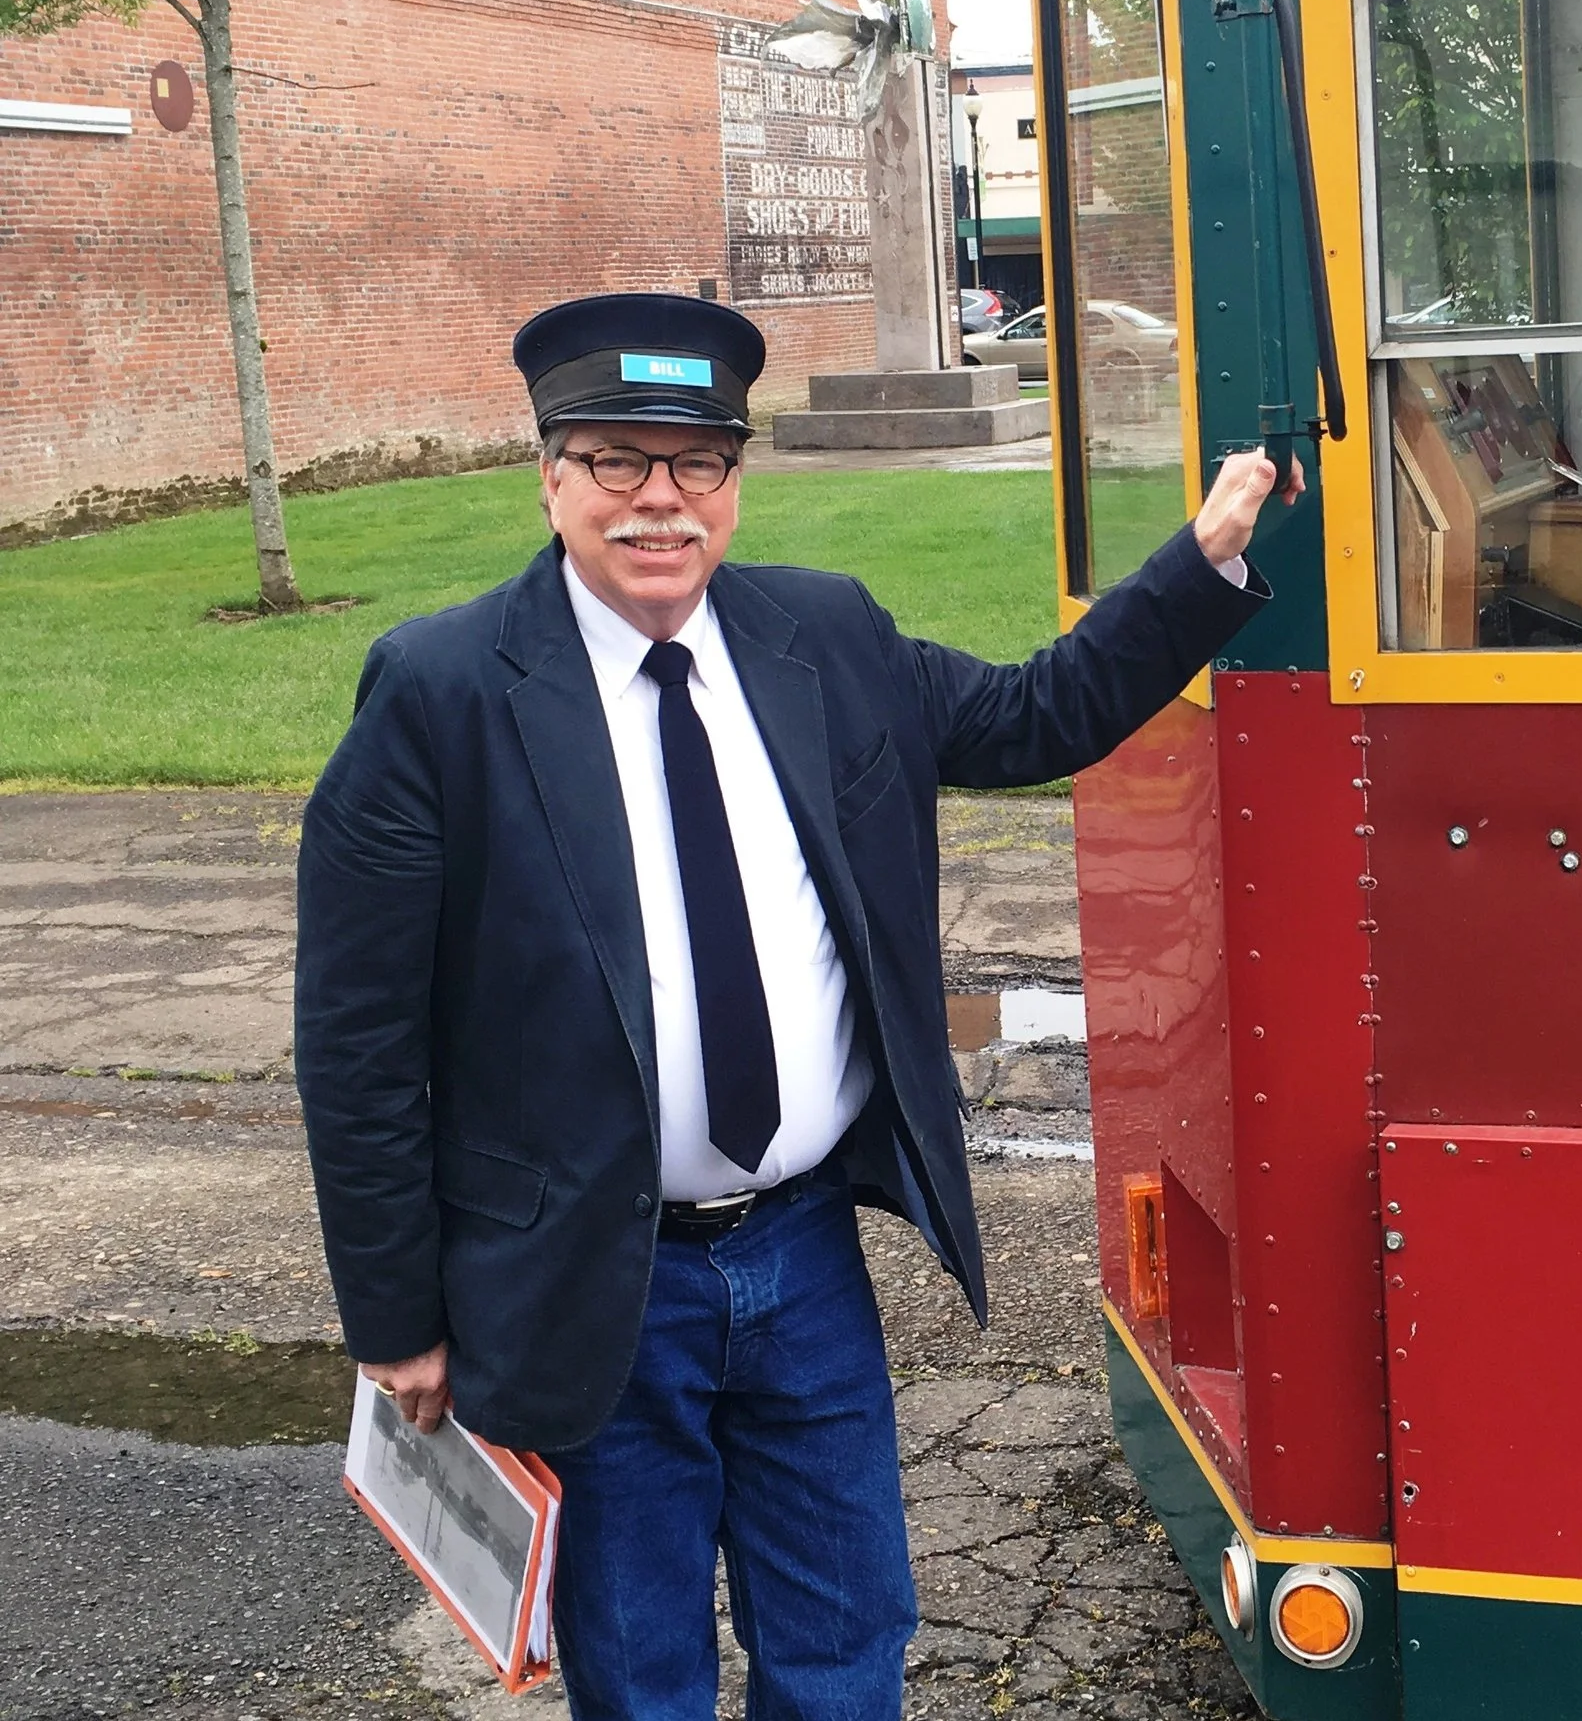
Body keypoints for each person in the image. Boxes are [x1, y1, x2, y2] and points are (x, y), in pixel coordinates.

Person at [295, 292, 1293, 1719]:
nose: (659, 499)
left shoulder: (821, 637)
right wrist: (396, 1318)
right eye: (615, 458)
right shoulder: (442, 692)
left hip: (803, 1260)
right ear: (550, 475)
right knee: (640, 1673)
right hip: (593, 1278)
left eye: (695, 460)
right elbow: (358, 1040)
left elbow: (1033, 716)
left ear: (735, 480)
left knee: (845, 1644)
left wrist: (1199, 565)